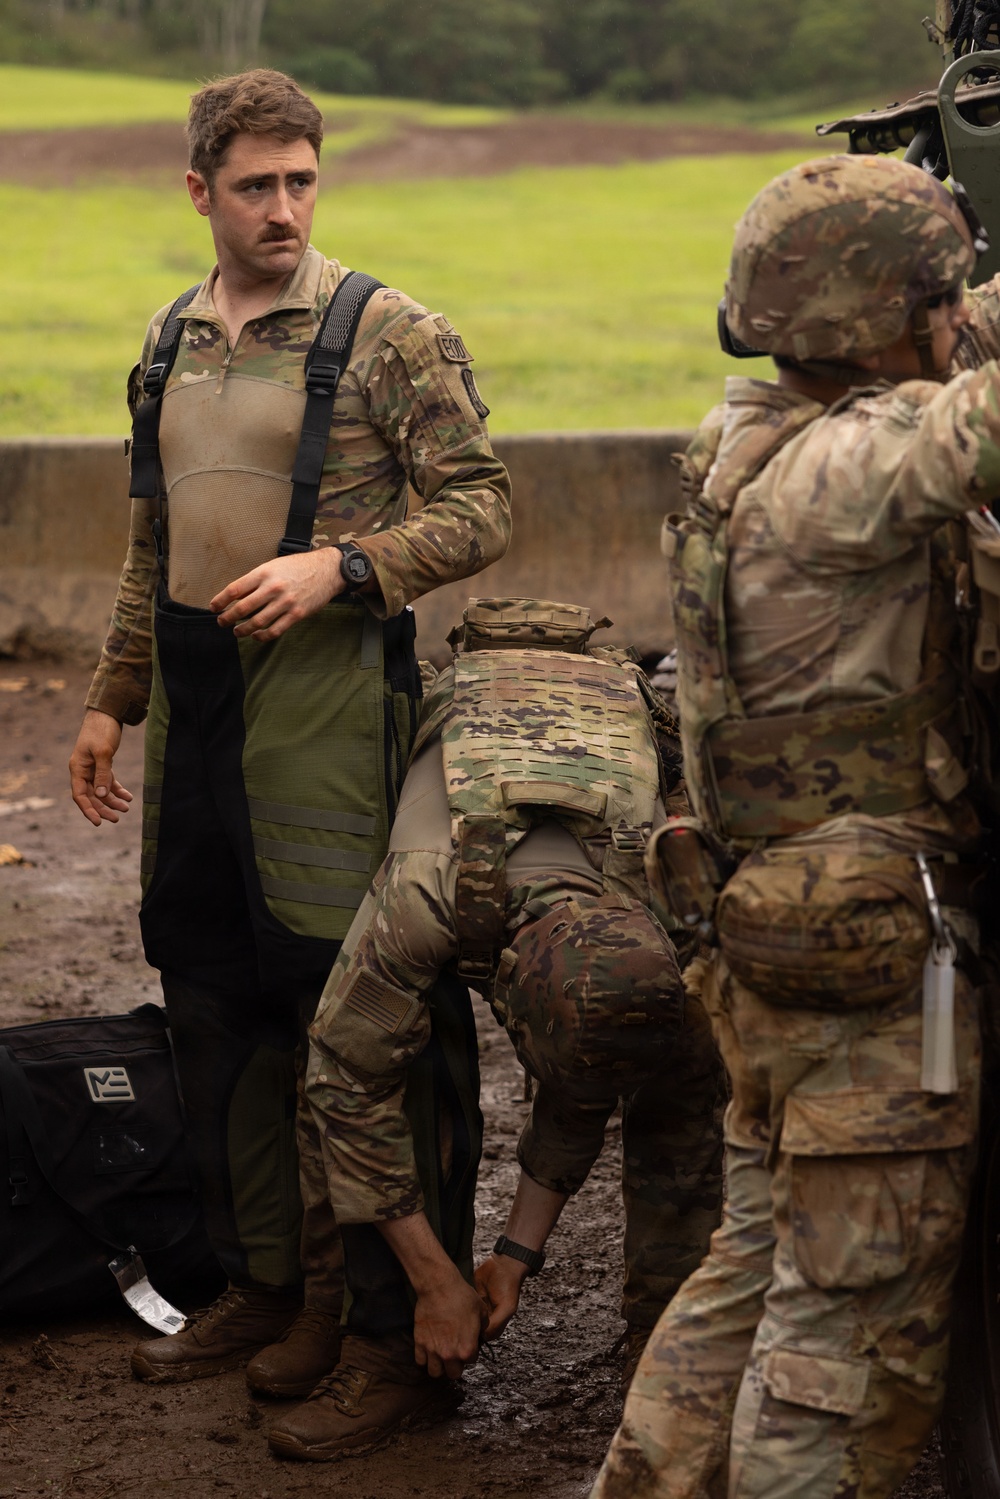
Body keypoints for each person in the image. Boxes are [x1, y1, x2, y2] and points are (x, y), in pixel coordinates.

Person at [67, 68, 510, 1408]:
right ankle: (267, 1281)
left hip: (325, 696)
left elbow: (486, 507)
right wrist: (111, 694)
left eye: (302, 180)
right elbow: (156, 541)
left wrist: (348, 568)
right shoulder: (169, 341)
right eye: (255, 185)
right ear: (199, 191)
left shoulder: (387, 332)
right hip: (199, 697)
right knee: (210, 993)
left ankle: (379, 1325)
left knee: (354, 1006)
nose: (283, 208)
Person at [592, 153, 999, 1499]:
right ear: (876, 317)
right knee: (843, 1333)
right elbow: (969, 419)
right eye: (933, 297)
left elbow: (947, 365)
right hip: (872, 976)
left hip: (769, 946)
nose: (951, 318)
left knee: (753, 1263)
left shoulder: (739, 440)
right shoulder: (851, 470)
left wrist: (959, 304)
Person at [263, 596, 726, 1462]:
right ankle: (348, 1319)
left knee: (691, 1074)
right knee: (356, 1054)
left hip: (602, 725)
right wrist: (437, 1280)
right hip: (477, 737)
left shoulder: (667, 891)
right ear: (510, 987)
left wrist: (514, 1257)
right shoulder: (424, 894)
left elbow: (584, 1075)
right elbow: (341, 1078)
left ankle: (671, 1353)